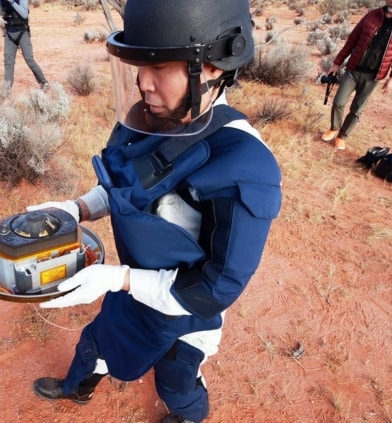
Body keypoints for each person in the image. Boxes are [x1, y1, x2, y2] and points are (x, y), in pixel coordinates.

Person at [26, 0, 282, 422]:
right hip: (134, 294)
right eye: (138, 65)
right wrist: (77, 209)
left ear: (214, 66)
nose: (143, 83)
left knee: (176, 381)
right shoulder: (149, 118)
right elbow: (124, 187)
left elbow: (212, 290)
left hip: (183, 317)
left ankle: (188, 415)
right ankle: (78, 387)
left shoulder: (245, 168)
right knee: (96, 342)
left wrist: (119, 278)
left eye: (159, 66)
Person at [321, 0, 392, 151]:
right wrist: (336, 63)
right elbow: (351, 41)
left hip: (373, 76)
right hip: (353, 70)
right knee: (338, 102)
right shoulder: (371, 16)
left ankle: (342, 137)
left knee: (357, 109)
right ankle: (334, 127)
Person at [0, 0, 49, 91]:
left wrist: (12, 2)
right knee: (8, 61)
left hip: (22, 33)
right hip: (9, 34)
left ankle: (44, 82)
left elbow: (24, 14)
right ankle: (7, 89)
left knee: (29, 59)